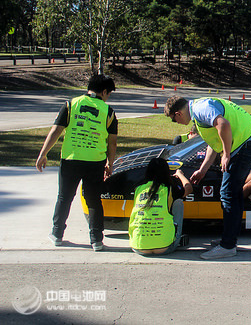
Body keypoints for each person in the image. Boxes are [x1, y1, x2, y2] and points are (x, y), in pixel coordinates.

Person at [164, 95, 251, 259]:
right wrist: (203, 169)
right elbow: (215, 141)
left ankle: (228, 245)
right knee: (233, 193)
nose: (177, 123)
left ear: (178, 114)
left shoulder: (200, 109)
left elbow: (223, 125)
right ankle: (229, 239)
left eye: (173, 120)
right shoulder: (199, 110)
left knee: (227, 194)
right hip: (249, 143)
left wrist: (225, 154)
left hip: (245, 145)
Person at [36, 73, 118, 251]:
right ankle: (96, 240)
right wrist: (110, 164)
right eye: (109, 93)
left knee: (64, 198)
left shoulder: (71, 104)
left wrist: (43, 154)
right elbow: (112, 142)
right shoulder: (109, 112)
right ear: (104, 92)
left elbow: (56, 131)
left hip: (71, 160)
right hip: (95, 162)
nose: (108, 97)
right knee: (94, 201)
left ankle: (57, 234)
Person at [129, 158, 193, 255]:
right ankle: (176, 237)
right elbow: (188, 188)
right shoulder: (169, 189)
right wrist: (180, 175)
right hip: (165, 247)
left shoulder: (139, 188)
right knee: (178, 202)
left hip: (138, 247)